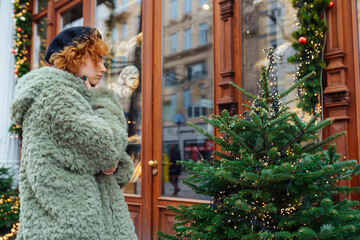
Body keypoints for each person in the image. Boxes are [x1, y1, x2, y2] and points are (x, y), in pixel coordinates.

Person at [10, 26, 137, 240]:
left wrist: (111, 162)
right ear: (74, 57)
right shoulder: (55, 96)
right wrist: (103, 99)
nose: (103, 68)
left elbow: (118, 170)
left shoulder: (72, 96)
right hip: (71, 228)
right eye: (97, 59)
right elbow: (107, 150)